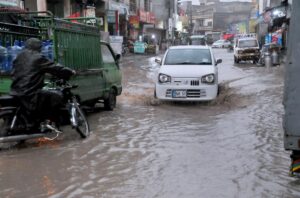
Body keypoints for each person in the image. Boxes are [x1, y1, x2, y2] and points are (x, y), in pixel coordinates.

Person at [10, 38, 75, 128]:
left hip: (15, 90)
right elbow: (54, 68)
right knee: (57, 96)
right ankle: (48, 122)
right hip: (30, 92)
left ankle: (39, 121)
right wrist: (69, 71)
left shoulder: (19, 56)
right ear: (38, 47)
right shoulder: (38, 57)